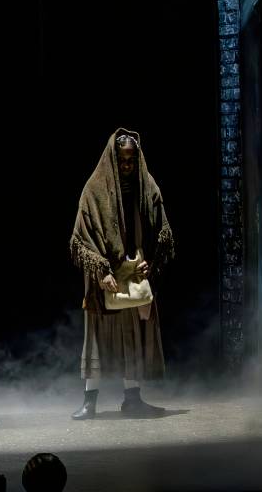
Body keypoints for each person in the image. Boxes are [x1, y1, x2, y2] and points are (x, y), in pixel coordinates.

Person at [69, 129, 172, 420]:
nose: (127, 166)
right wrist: (101, 271)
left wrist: (149, 262)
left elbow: (160, 230)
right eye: (122, 160)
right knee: (98, 340)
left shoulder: (146, 186)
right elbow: (81, 237)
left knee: (133, 336)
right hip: (105, 274)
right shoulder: (94, 189)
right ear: (112, 158)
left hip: (134, 272)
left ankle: (133, 399)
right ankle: (90, 402)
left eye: (131, 160)